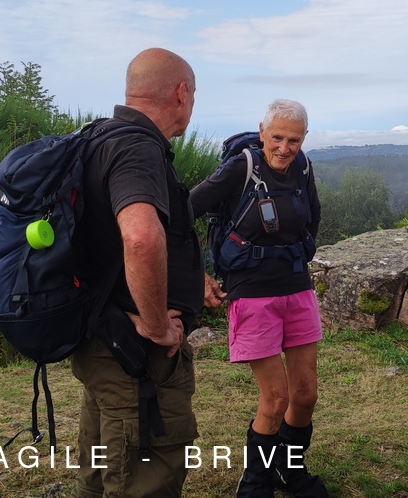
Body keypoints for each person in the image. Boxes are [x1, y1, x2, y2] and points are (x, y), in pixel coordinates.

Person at [71, 47, 212, 498]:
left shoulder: (97, 138)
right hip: (134, 357)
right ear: (181, 93)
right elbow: (141, 238)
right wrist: (157, 326)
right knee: (144, 480)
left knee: (100, 475)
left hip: (102, 343)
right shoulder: (138, 147)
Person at [190, 99, 328, 498]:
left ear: (304, 139)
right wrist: (196, 274)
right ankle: (255, 483)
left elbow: (313, 218)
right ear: (262, 132)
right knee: (277, 397)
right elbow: (182, 212)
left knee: (305, 394)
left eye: (294, 140)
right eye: (278, 137)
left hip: (297, 288)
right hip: (252, 294)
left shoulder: (303, 168)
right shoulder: (242, 168)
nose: (285, 148)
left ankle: (290, 470)